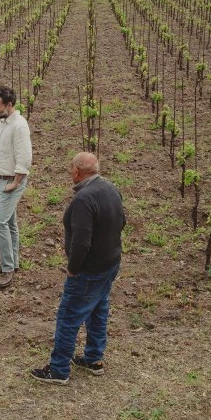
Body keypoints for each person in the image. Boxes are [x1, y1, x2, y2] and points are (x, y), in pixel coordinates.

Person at [31, 152, 126, 385]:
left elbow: (81, 241)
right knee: (98, 310)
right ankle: (94, 359)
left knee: (68, 317)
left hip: (89, 271)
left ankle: (59, 369)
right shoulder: (110, 189)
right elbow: (122, 222)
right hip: (110, 264)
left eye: (71, 169)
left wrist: (73, 269)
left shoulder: (84, 199)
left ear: (77, 171)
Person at [0, 86, 32, 289]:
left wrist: (16, 182)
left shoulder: (19, 126)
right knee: (10, 224)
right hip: (0, 178)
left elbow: (25, 156)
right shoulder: (3, 123)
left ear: (9, 104)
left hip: (11, 182)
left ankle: (7, 269)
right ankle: (13, 262)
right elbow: (1, 152)